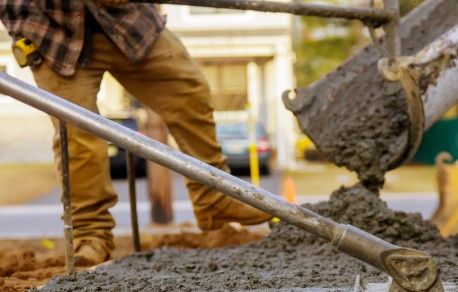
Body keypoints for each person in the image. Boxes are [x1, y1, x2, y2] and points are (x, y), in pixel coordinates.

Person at [0, 0, 270, 265]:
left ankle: (216, 200)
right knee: (77, 134)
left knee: (189, 92)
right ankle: (90, 234)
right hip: (53, 33)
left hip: (128, 21)